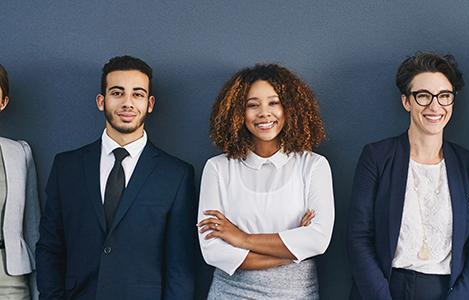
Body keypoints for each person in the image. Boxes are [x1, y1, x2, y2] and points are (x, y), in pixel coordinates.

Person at [36, 55, 197, 299]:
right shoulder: (66, 166)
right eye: (117, 93)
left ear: (150, 104)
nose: (127, 103)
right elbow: (50, 246)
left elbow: (180, 265)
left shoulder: (176, 174)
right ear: (101, 101)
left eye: (138, 94)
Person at [348, 52, 469, 300]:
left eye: (444, 96)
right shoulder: (376, 157)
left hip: (447, 292)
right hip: (386, 289)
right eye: (423, 96)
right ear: (407, 101)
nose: (435, 106)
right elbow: (358, 238)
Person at [197, 64, 334, 299]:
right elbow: (214, 251)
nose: (264, 113)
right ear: (237, 113)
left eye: (274, 102)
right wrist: (293, 249)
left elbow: (317, 240)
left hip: (296, 293)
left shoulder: (313, 165)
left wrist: (242, 238)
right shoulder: (217, 168)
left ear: (290, 107)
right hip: (230, 293)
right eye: (252, 105)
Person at [0, 64, 41, 300]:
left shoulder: (19, 152)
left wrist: (39, 290)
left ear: (3, 102)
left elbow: (32, 227)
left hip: (11, 281)